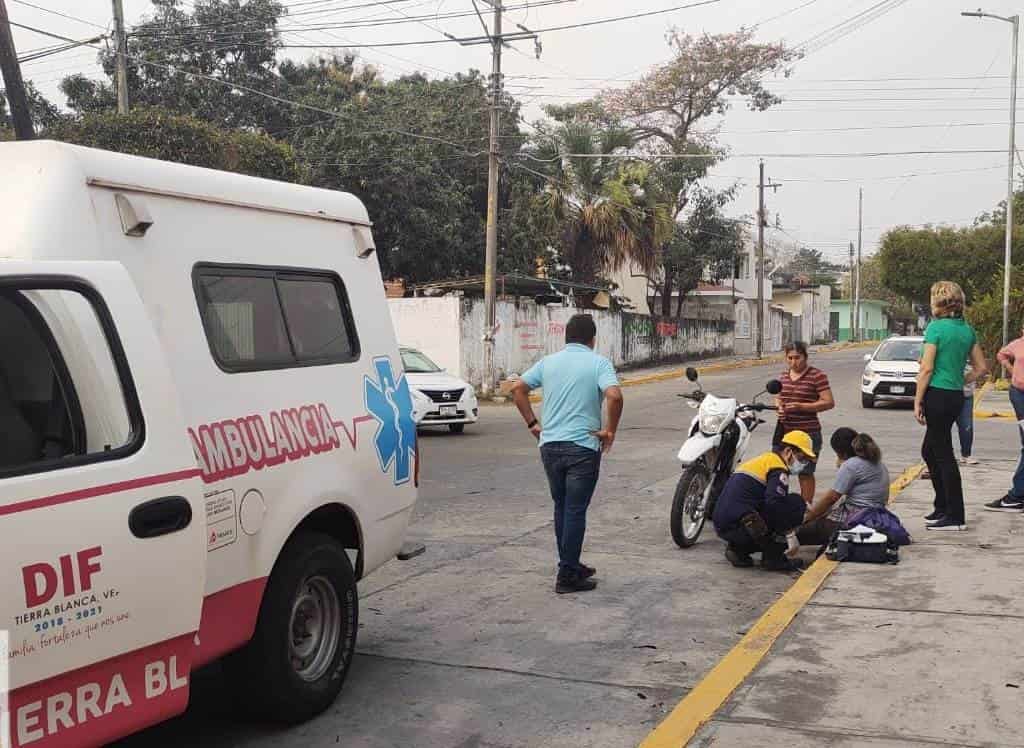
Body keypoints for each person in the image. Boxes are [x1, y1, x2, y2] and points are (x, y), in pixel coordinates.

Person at [511, 314, 624, 594]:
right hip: (582, 448)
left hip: (550, 447)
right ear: (593, 339)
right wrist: (610, 431)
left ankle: (569, 564)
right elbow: (615, 396)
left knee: (562, 507)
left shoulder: (548, 362)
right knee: (574, 509)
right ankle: (567, 575)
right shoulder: (598, 363)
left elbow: (518, 390)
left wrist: (532, 424)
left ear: (566, 337)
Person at [914, 281, 988, 530]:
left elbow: (926, 368)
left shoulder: (935, 329)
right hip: (955, 395)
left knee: (943, 455)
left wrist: (917, 400)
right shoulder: (967, 330)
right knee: (930, 451)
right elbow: (981, 368)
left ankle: (955, 516)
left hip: (937, 394)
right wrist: (959, 378)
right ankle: (941, 506)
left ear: (937, 303)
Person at [712, 431, 816, 571]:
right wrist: (789, 534)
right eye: (801, 458)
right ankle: (774, 559)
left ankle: (739, 550)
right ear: (788, 451)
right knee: (795, 503)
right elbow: (774, 505)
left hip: (724, 525)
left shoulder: (764, 460)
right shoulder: (778, 468)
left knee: (778, 505)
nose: (802, 464)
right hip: (740, 525)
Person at [797, 428, 890, 546]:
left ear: (842, 453)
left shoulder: (851, 465)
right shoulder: (877, 462)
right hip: (876, 517)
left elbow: (830, 498)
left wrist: (807, 518)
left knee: (800, 532)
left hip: (856, 520)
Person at [774, 341, 835, 503]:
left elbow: (828, 402)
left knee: (805, 472)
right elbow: (778, 397)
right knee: (779, 469)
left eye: (797, 357)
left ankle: (806, 507)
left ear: (805, 357)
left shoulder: (817, 376)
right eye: (790, 358)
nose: (794, 362)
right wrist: (779, 407)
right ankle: (780, 504)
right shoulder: (784, 376)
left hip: (808, 432)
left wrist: (803, 406)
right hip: (786, 431)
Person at [989, 324, 1024, 511]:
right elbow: (1001, 354)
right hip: (1020, 393)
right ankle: (1017, 495)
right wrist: (1011, 369)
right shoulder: (1018, 344)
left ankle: (1017, 495)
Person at [957, 364, 980, 466]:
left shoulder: (970, 350)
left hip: (966, 395)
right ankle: (944, 454)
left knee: (967, 425)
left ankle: (966, 454)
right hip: (947, 391)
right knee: (943, 426)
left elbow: (981, 367)